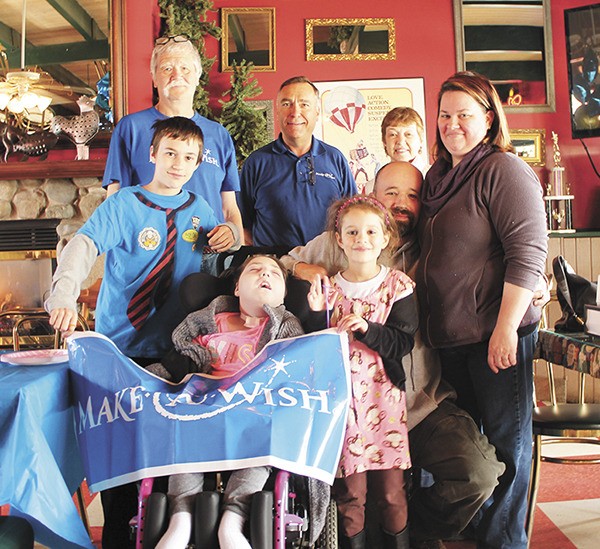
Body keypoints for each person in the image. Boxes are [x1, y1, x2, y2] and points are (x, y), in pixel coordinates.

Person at [281, 161, 505, 548]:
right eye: (392, 193)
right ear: (371, 195)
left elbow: (494, 264)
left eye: (412, 195)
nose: (401, 202)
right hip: (349, 412)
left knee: (477, 474)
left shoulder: (436, 246)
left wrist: (535, 284)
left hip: (419, 406)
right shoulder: (345, 236)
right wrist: (307, 270)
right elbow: (283, 263)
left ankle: (413, 530)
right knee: (355, 499)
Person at [45, 116, 240, 549]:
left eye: (189, 157)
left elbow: (216, 276)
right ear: (151, 155)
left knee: (176, 457)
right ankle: (116, 536)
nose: (179, 164)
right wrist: (62, 295)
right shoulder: (125, 204)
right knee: (122, 458)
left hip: (180, 355)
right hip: (123, 350)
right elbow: (82, 246)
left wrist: (228, 240)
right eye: (170, 153)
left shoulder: (200, 210)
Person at [416, 71, 548, 549]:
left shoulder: (503, 169)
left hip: (496, 337)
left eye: (464, 115)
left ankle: (505, 542)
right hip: (451, 343)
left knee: (507, 448)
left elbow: (528, 252)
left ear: (489, 120)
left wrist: (506, 328)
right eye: (445, 114)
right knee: (478, 453)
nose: (453, 124)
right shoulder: (436, 177)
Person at [145, 254, 304, 549]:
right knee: (183, 438)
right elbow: (176, 365)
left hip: (254, 414)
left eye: (274, 273)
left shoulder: (285, 329)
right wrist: (134, 381)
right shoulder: (210, 324)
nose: (264, 275)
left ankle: (233, 521)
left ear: (283, 294)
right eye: (255, 270)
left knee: (262, 447)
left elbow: (299, 369)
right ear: (236, 289)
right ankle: (181, 517)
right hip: (204, 409)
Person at [306, 194, 418, 549]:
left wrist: (367, 328)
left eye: (371, 232)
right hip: (343, 407)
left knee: (392, 493)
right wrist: (314, 315)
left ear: (385, 237)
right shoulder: (328, 290)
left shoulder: (398, 286)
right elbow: (314, 349)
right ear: (339, 239)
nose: (361, 240)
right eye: (352, 232)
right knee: (351, 496)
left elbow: (403, 343)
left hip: (385, 404)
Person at [103, 34, 242, 253]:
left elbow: (229, 208)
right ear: (154, 78)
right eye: (167, 68)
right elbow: (114, 202)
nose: (177, 75)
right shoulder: (130, 128)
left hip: (207, 258)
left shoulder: (219, 135)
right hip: (149, 256)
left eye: (186, 68)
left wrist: (233, 235)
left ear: (198, 76)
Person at [238, 75, 357, 248]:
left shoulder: (335, 159)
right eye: (286, 104)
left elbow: (353, 216)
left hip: (327, 268)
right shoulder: (256, 163)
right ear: (277, 110)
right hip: (276, 270)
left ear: (317, 112)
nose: (295, 112)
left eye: (304, 104)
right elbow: (243, 225)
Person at [364, 106, 429, 195]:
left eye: (408, 134)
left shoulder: (436, 179)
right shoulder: (371, 187)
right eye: (393, 134)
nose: (400, 141)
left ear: (421, 140)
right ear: (384, 142)